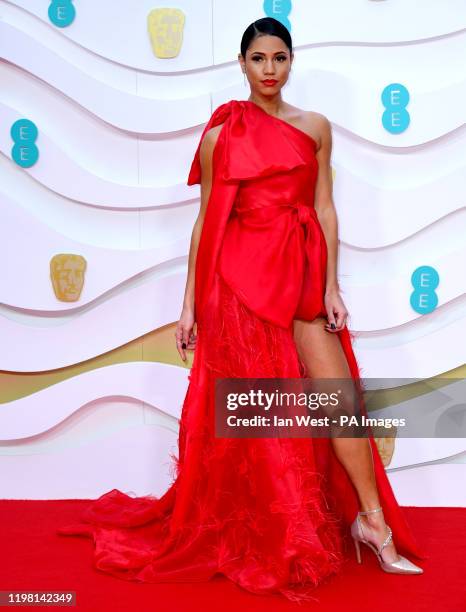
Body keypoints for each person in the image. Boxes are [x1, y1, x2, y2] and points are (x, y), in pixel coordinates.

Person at [57, 17, 427, 603]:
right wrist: (188, 306)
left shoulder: (316, 127)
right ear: (242, 63)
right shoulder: (221, 134)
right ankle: (279, 532)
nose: (270, 70)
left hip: (300, 273)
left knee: (339, 403)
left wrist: (331, 285)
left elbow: (325, 210)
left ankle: (372, 523)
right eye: (258, 59)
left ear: (291, 61)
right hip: (240, 284)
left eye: (279, 57)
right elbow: (207, 222)